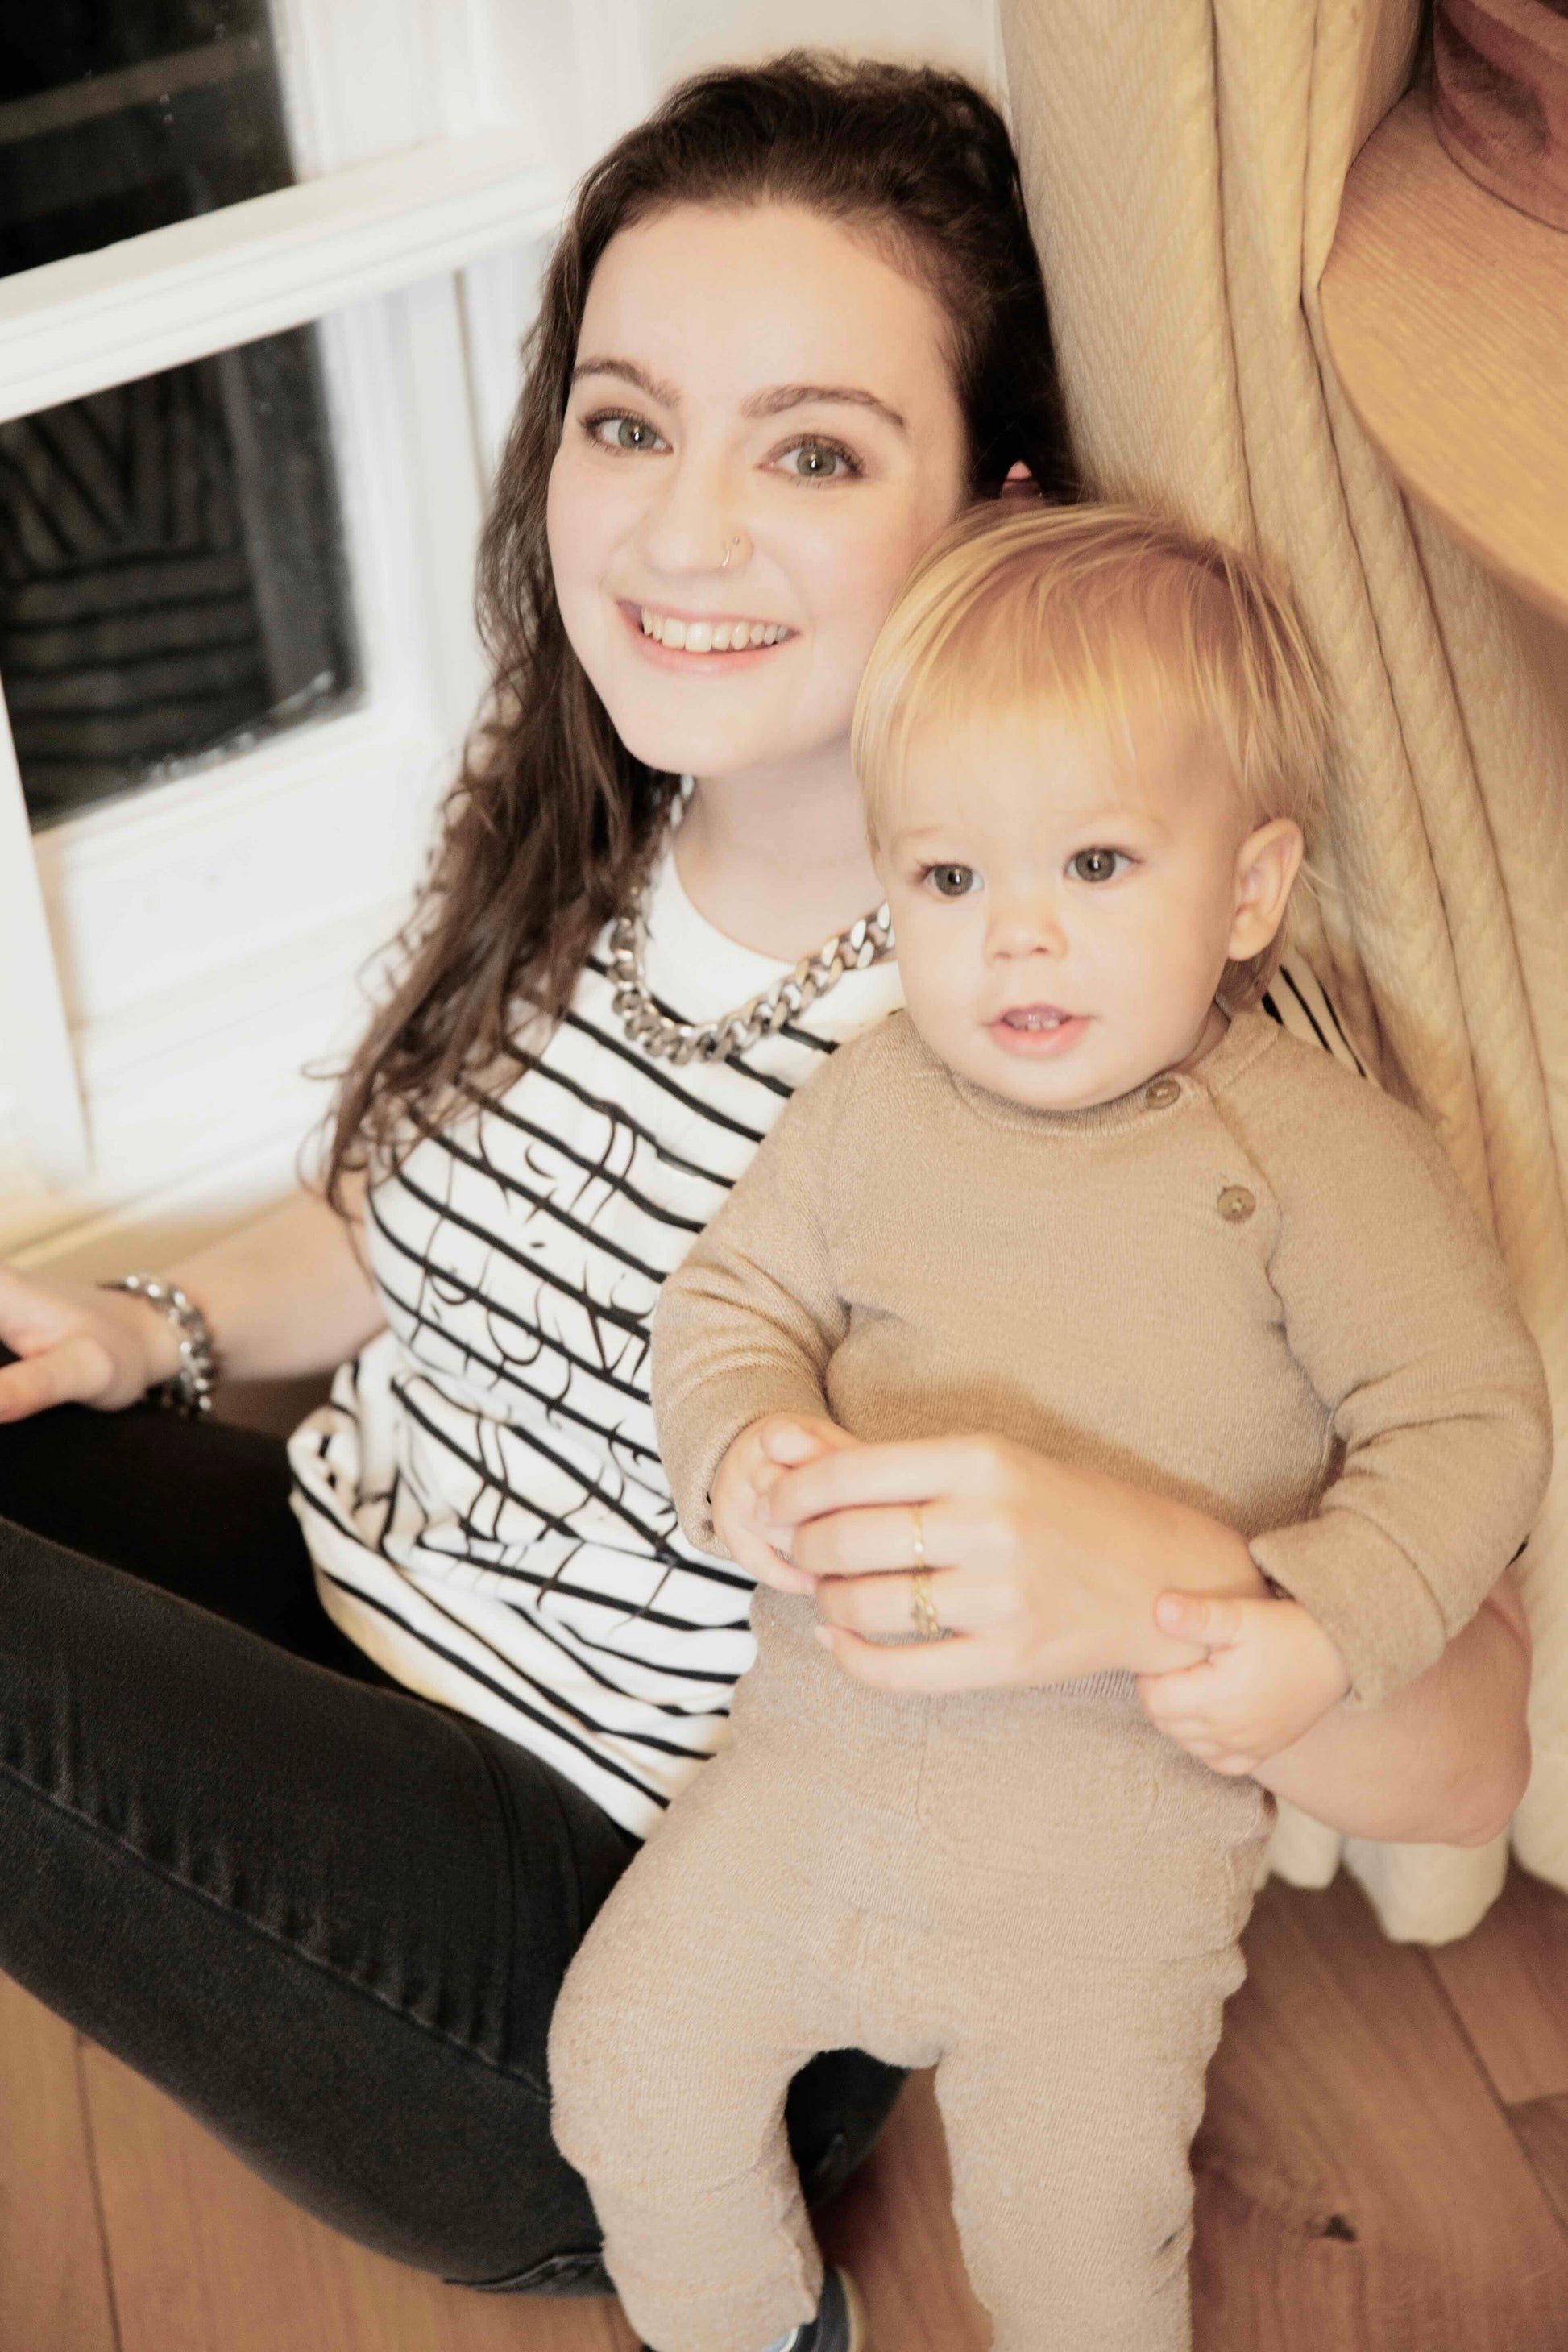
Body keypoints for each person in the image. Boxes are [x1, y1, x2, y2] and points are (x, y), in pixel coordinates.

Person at [0, 54, 1537, 2303]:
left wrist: (1158, 1590)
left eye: (810, 447)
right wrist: (150, 1330)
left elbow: (1474, 1749)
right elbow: (415, 1216)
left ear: (991, 511)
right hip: (349, 1616)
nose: (677, 532)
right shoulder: (612, 823)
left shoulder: (1098, 1016)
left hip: (632, 1925)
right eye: (626, 424)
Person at [546, 504, 1552, 2352]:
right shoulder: (870, 1102)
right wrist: (745, 1429)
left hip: (1105, 1856)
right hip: (804, 1775)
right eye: (945, 879)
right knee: (617, 2062)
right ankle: (761, 2329)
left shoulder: (1311, 1159)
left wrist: (1321, 1620)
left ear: (1247, 891)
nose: (1015, 933)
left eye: (1094, 861)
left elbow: (1470, 1416)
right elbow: (731, 1299)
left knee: (1078, 2253)